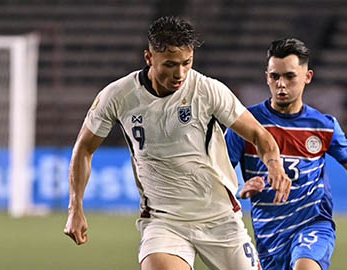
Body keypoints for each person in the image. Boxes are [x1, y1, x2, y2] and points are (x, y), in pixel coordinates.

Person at [63, 16, 292, 270]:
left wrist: (275, 164)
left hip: (220, 219)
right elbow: (84, 148)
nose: (180, 73)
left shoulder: (207, 90)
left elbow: (259, 135)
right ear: (149, 58)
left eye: (187, 63)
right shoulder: (118, 96)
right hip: (164, 221)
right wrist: (76, 207)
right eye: (170, 65)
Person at [225, 38, 347, 270]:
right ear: (267, 77)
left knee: (304, 267)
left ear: (307, 77)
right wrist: (238, 190)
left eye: (290, 76)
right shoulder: (246, 124)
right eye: (275, 77)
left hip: (313, 225)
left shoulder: (323, 126)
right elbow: (218, 174)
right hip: (269, 236)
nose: (281, 84)